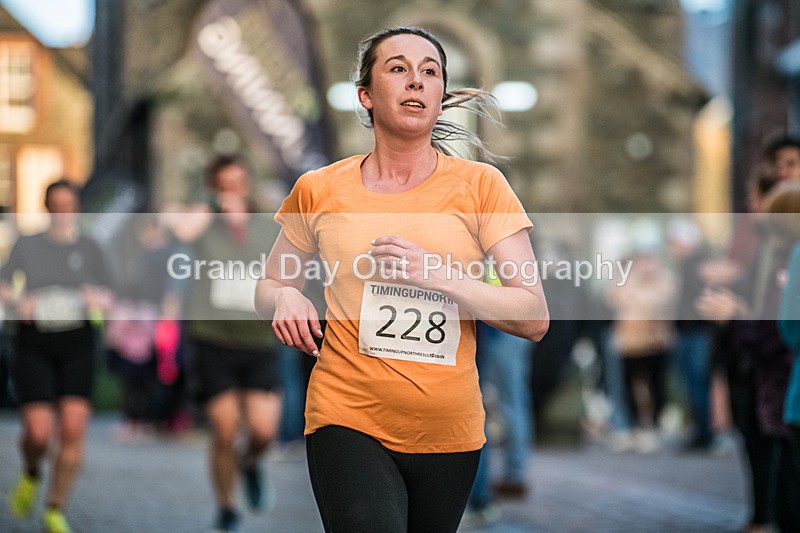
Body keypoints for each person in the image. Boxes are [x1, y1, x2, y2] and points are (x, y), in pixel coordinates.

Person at [255, 26, 549, 532]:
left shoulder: (481, 187)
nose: (416, 81)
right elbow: (270, 285)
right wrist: (283, 298)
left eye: (429, 72)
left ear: (440, 97)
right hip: (346, 416)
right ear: (366, 95)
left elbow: (533, 316)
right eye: (398, 69)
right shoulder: (320, 189)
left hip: (449, 432)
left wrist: (442, 276)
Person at [165, 155, 283, 532]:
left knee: (263, 432)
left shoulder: (266, 223)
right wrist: (213, 206)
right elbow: (181, 233)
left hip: (259, 339)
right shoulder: (203, 221)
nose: (233, 190)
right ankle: (227, 506)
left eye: (238, 182)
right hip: (213, 339)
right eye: (224, 183)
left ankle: (249, 462)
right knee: (224, 429)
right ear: (214, 186)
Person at [2, 179, 112, 533]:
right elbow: (4, 285)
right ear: (48, 208)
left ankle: (55, 508)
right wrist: (20, 302)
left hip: (78, 344)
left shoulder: (92, 248)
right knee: (37, 433)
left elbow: (112, 294)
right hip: (34, 343)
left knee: (73, 430)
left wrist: (96, 298)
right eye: (57, 205)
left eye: (70, 205)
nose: (63, 212)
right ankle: (32, 472)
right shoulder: (28, 245)